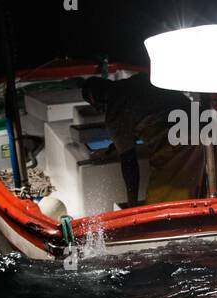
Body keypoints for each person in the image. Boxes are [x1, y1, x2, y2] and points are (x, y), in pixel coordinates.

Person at [81, 74, 205, 206]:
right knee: (193, 187)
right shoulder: (141, 79)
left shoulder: (114, 113)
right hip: (203, 124)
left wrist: (132, 204)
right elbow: (149, 110)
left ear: (96, 105)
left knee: (158, 205)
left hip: (180, 140)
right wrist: (120, 142)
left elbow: (129, 164)